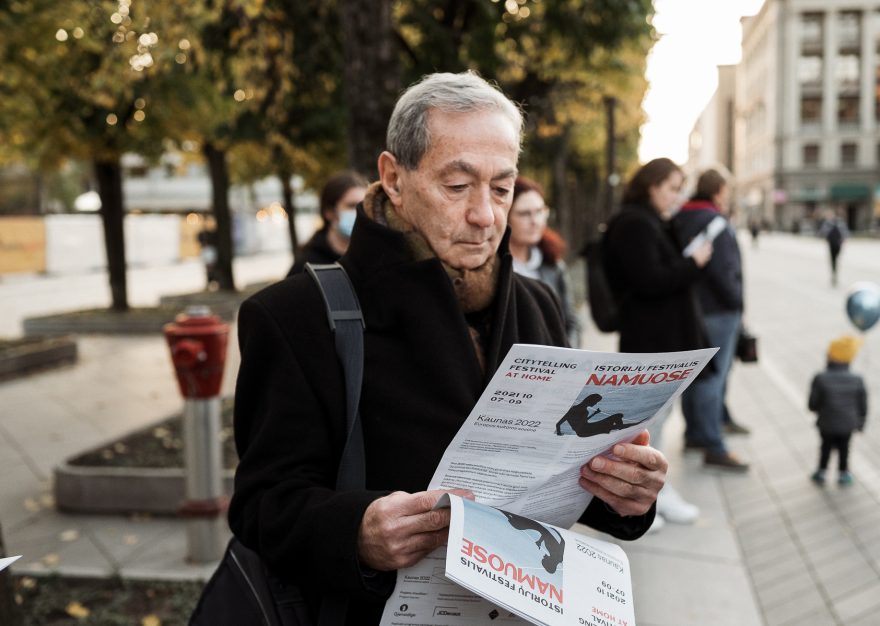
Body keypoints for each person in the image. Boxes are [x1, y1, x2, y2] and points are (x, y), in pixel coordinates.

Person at [229, 72, 666, 624]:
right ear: (394, 178)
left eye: (502, 188)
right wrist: (358, 532)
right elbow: (261, 505)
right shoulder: (295, 316)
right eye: (457, 187)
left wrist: (625, 493)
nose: (485, 214)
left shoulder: (536, 303)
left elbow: (561, 476)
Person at [601, 157, 711, 529]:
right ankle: (645, 495)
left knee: (657, 423)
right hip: (652, 340)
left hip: (661, 338)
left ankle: (652, 494)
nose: (676, 196)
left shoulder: (649, 221)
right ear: (653, 185)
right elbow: (649, 280)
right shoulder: (635, 223)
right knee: (648, 425)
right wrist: (693, 262)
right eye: (672, 187)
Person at [673, 169, 750, 472]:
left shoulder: (680, 218)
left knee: (694, 375)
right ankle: (711, 443)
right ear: (718, 191)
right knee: (712, 378)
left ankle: (694, 433)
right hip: (718, 310)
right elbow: (725, 272)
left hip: (689, 309)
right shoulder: (715, 221)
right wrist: (737, 304)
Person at [508, 176, 581, 346]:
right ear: (506, 217)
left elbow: (571, 322)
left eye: (540, 211)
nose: (535, 221)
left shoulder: (553, 265)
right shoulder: (492, 269)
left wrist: (569, 361)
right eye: (525, 214)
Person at [809, 336, 868, 486]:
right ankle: (843, 473)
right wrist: (861, 423)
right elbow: (863, 405)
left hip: (826, 424)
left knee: (825, 447)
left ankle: (821, 471)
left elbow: (812, 405)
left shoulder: (820, 378)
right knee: (844, 448)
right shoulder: (857, 379)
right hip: (847, 425)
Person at [286, 170, 368, 276]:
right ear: (329, 212)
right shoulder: (306, 265)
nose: (360, 211)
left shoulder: (375, 256)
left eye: (364, 205)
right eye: (351, 206)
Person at [818, 210, 848, 286]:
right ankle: (834, 273)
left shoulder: (837, 223)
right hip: (833, 244)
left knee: (834, 259)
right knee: (834, 259)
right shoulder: (830, 223)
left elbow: (844, 232)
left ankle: (834, 272)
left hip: (837, 244)